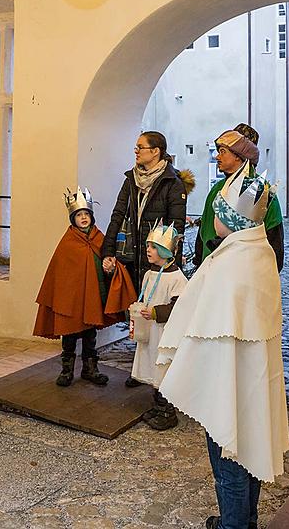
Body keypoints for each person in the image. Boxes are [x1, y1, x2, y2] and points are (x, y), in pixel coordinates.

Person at [157, 162, 289, 529]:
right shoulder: (258, 252)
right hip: (251, 377)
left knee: (228, 454)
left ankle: (233, 525)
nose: (212, 217)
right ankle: (245, 520)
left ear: (230, 220)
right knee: (248, 452)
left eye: (217, 212)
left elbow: (199, 320)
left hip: (226, 378)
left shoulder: (229, 264)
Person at [101, 131, 192, 387]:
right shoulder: (131, 179)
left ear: (156, 151)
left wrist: (167, 258)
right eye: (136, 147)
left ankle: (160, 371)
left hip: (157, 259)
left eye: (141, 147)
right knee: (139, 311)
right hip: (133, 255)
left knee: (158, 315)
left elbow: (176, 227)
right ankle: (140, 368)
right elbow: (117, 214)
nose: (136, 151)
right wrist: (108, 251)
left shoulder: (172, 183)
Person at [34, 187, 137, 386]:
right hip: (71, 303)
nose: (83, 218)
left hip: (92, 298)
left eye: (86, 214)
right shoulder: (68, 243)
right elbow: (60, 275)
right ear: (73, 218)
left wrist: (110, 267)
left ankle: (90, 369)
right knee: (70, 337)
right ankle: (67, 370)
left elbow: (107, 260)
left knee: (90, 337)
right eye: (79, 215)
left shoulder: (100, 238)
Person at [194, 124, 284, 272]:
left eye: (224, 151)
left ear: (240, 155)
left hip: (242, 274)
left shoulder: (261, 192)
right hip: (209, 270)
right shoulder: (217, 189)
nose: (217, 156)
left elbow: (274, 238)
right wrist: (199, 262)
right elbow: (204, 229)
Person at [129, 221, 188, 430]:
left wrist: (156, 312)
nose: (148, 250)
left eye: (153, 247)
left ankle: (167, 411)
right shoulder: (149, 273)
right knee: (152, 367)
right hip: (150, 332)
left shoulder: (177, 278)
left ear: (165, 250)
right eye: (148, 246)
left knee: (163, 369)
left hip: (164, 332)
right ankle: (157, 404)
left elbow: (180, 307)